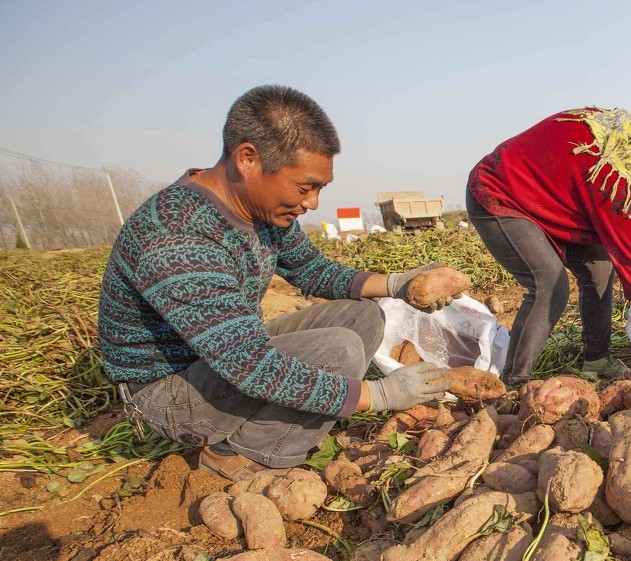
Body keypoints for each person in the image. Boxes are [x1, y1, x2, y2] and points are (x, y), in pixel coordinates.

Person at [98, 85, 470, 481]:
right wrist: (381, 396)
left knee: (363, 318)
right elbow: (250, 364)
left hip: (219, 357)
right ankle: (241, 455)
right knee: (337, 351)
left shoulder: (261, 211)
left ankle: (289, 417)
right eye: (304, 187)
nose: (311, 203)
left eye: (319, 189)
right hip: (168, 394)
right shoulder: (176, 235)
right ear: (248, 159)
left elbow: (312, 270)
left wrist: (397, 284)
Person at [466, 105, 631, 387]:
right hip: (500, 194)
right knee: (550, 283)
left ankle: (596, 361)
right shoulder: (621, 181)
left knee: (599, 267)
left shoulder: (630, 139)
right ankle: (516, 381)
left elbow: (622, 221)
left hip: (552, 203)